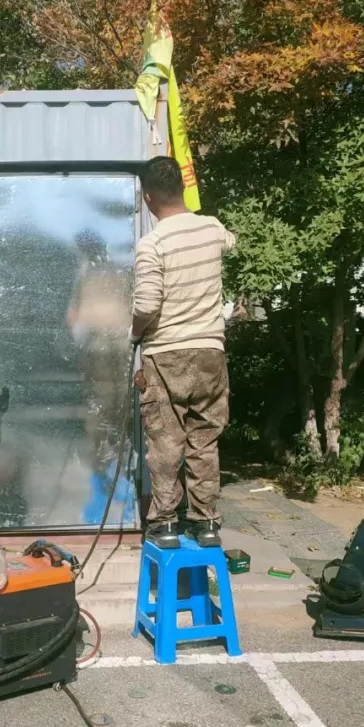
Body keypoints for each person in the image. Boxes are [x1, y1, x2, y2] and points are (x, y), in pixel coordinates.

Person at [130, 156, 236, 549]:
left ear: (148, 197)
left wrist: (134, 333)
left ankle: (165, 524)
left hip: (167, 353)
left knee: (165, 442)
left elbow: (147, 304)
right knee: (204, 440)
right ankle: (206, 523)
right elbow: (230, 242)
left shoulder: (152, 244)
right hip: (210, 351)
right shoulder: (213, 228)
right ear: (183, 188)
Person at [65, 230, 136, 525]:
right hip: (119, 348)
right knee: (119, 412)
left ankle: (105, 485)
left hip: (102, 347)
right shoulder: (120, 272)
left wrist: (79, 340)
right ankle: (114, 485)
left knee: (102, 412)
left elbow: (73, 316)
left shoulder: (88, 275)